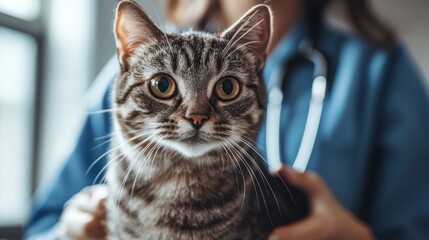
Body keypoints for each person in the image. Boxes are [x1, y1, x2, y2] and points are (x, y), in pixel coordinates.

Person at [26, 0, 429, 239]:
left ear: (257, 61)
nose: (196, 115)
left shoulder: (381, 70)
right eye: (165, 88)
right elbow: (41, 223)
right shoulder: (146, 57)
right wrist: (69, 229)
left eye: (227, 89)